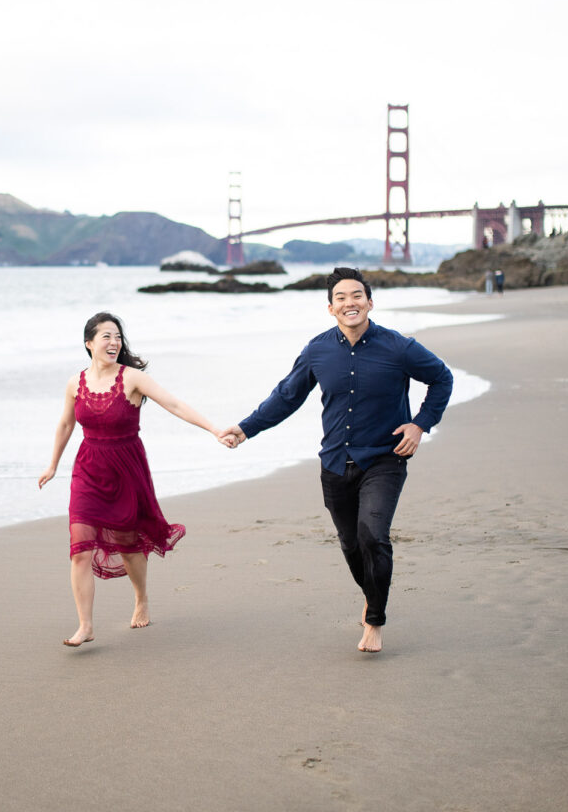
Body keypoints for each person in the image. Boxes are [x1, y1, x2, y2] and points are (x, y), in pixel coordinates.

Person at [222, 267, 453, 654]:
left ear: (370, 302)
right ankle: (372, 594)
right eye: (341, 298)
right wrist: (246, 429)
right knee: (350, 545)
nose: (350, 303)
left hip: (385, 458)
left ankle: (375, 620)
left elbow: (442, 378)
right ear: (331, 308)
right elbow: (287, 396)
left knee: (372, 535)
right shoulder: (317, 350)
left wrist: (419, 425)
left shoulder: (398, 347)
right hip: (334, 463)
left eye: (357, 296)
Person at [39, 311, 235, 646]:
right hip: (87, 469)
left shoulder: (132, 378)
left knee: (129, 545)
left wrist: (215, 429)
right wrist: (52, 464)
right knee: (80, 549)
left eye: (117, 336)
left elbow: (173, 404)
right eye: (106, 336)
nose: (114, 342)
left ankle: (141, 597)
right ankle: (85, 625)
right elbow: (66, 424)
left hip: (126, 469)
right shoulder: (76, 382)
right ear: (89, 343)